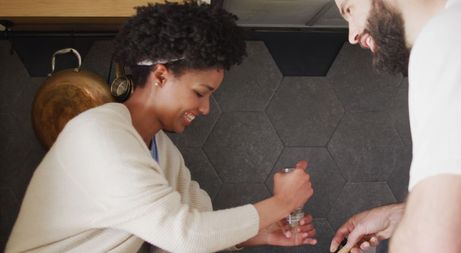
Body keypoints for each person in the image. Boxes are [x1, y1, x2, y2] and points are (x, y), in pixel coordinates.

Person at [6, 2, 317, 253]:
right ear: (160, 76)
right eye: (200, 93)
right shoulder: (99, 135)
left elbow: (198, 224)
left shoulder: (160, 151)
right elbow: (184, 236)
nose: (205, 108)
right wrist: (282, 203)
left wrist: (258, 234)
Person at [329, 0, 461, 252]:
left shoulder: (444, 37)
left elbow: (438, 239)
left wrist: (418, 226)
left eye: (349, 9)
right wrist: (403, 215)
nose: (352, 35)